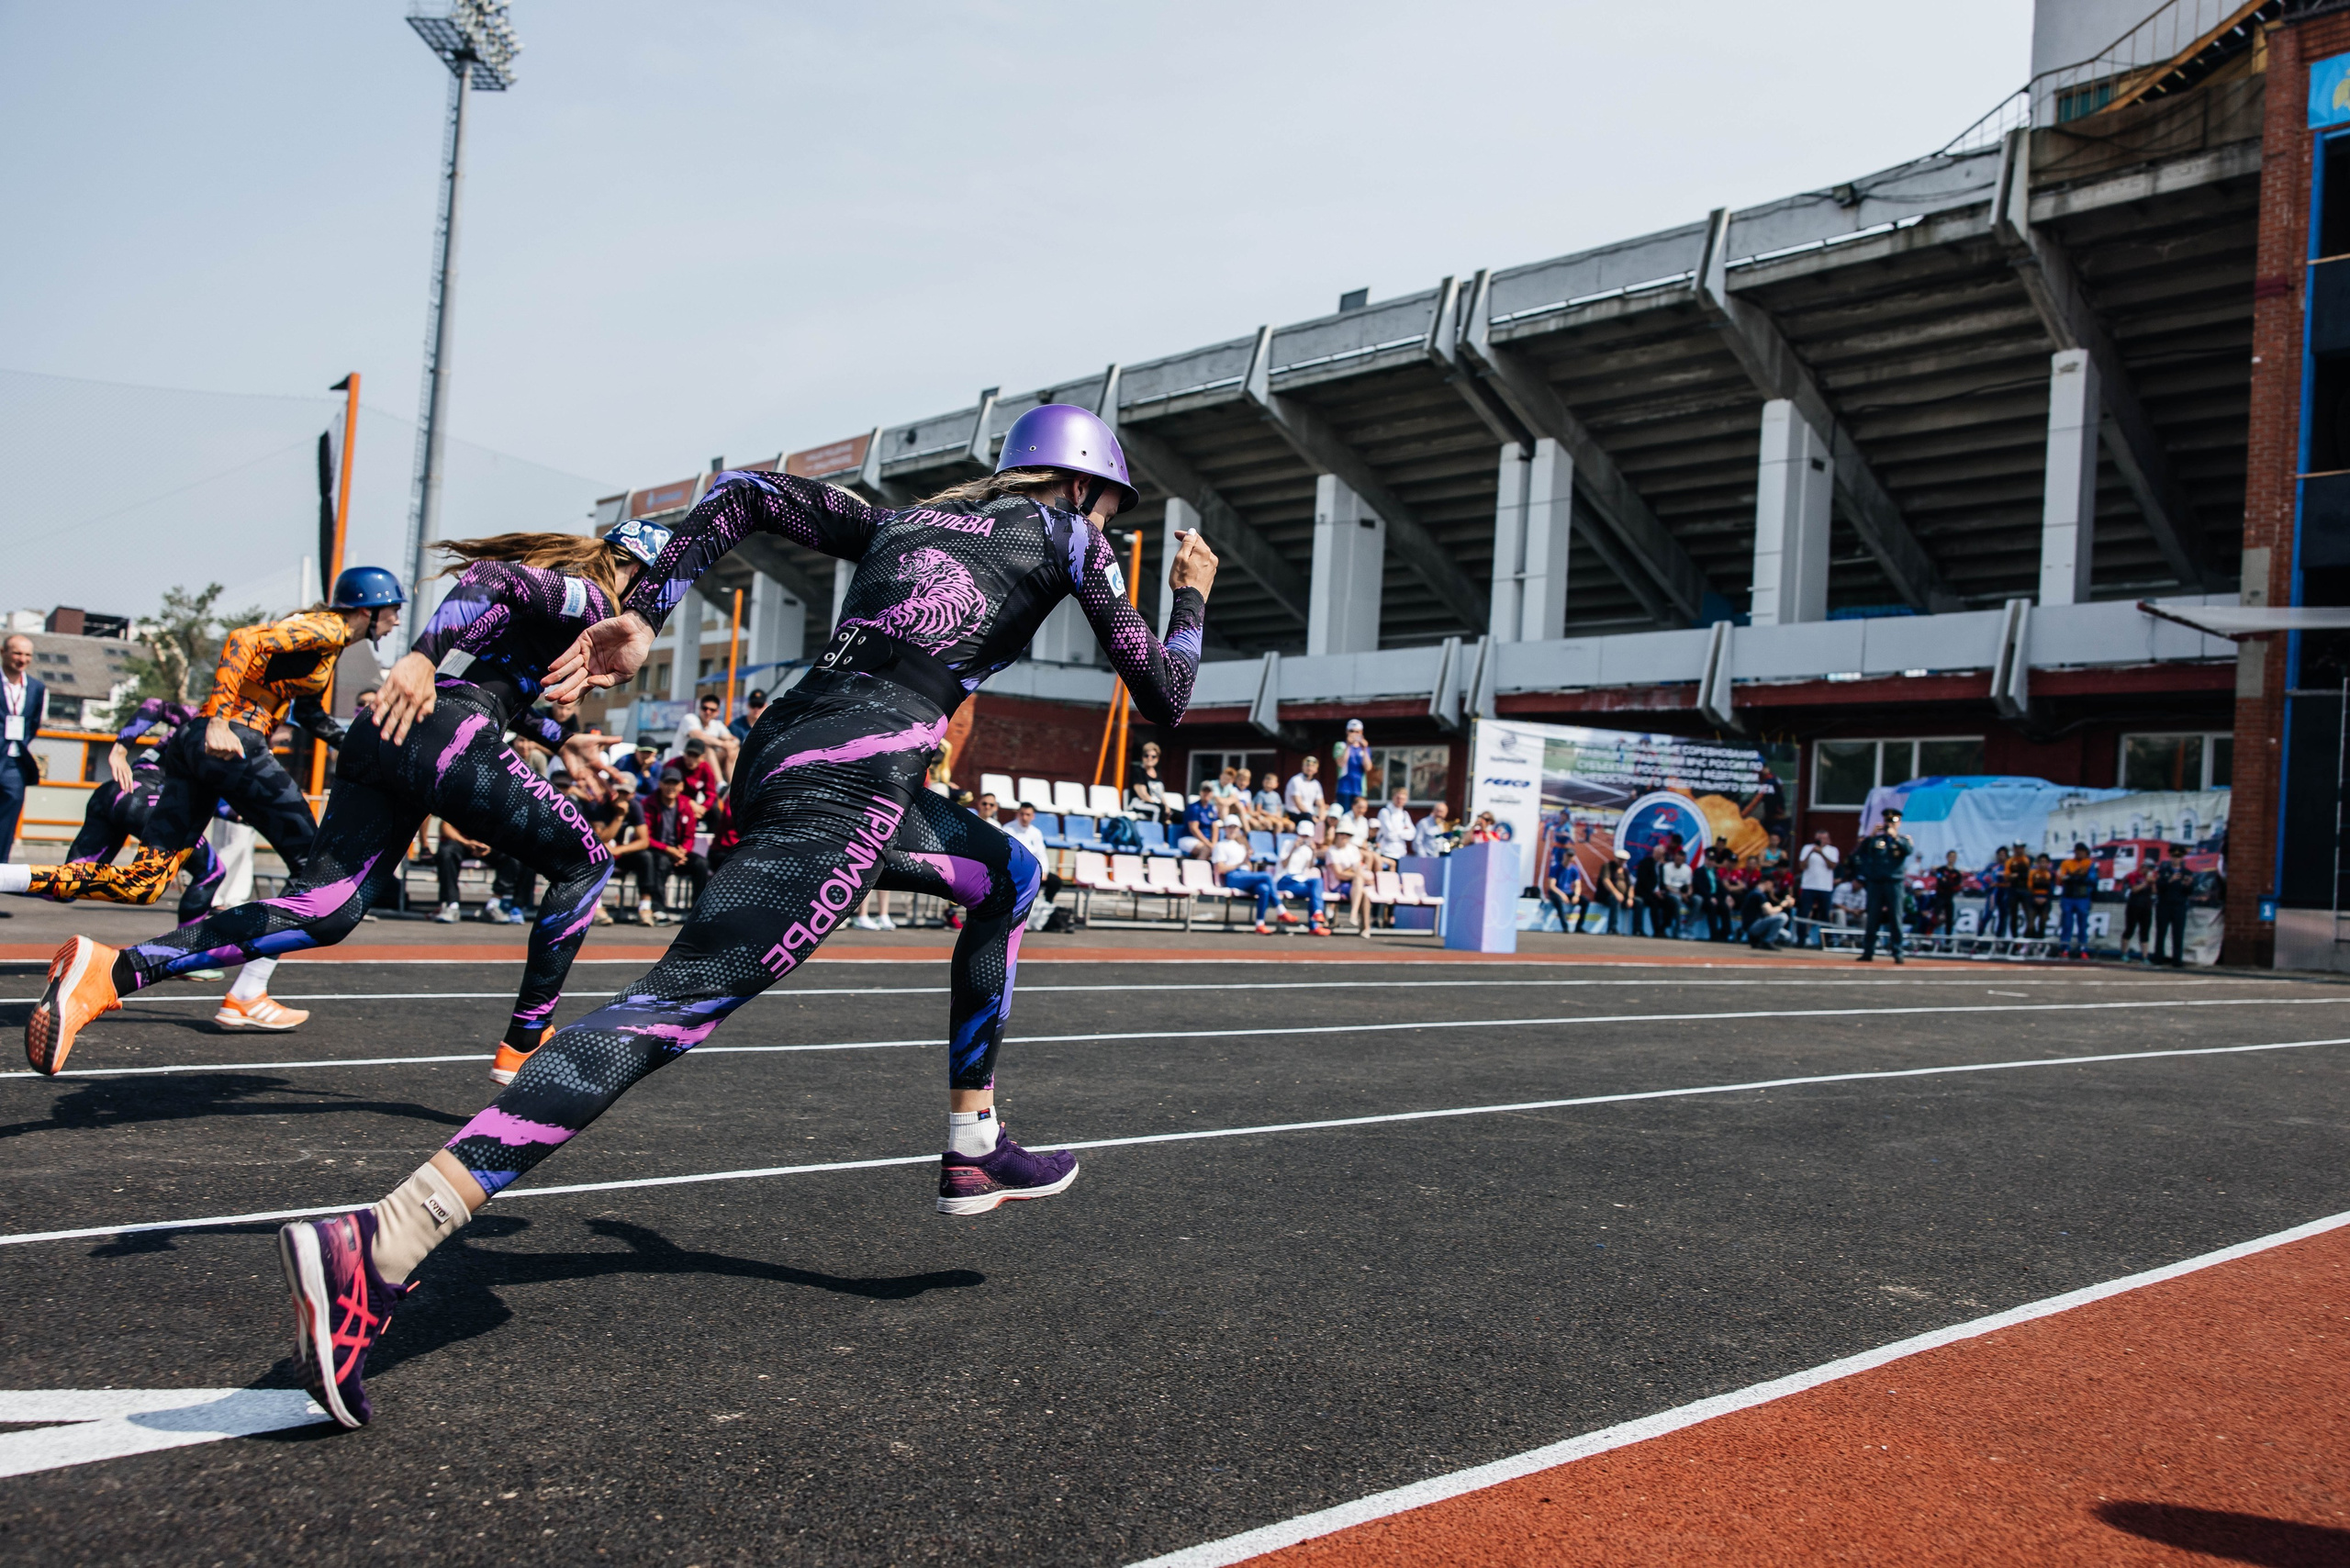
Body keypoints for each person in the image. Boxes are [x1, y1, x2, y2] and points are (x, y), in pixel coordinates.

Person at [264, 404, 1214, 1429]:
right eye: (1109, 505)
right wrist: (1190, 596)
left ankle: (973, 1138)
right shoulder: (1070, 534)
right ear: (1082, 486)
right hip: (855, 778)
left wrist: (649, 612)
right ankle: (384, 1239)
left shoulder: (905, 522)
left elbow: (748, 493)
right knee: (670, 1006)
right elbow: (1164, 693)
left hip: (793, 748)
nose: (1107, 522)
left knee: (1008, 877)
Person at [28, 545, 624, 1083]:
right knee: (587, 863)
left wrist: (558, 738)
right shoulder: (595, 599)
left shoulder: (527, 614)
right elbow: (493, 575)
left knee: (323, 911)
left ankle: (114, 970)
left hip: (382, 732)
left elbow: (475, 672)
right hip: (428, 734)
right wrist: (420, 657)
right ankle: (525, 1040)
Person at [22, 571, 405, 1036]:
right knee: (315, 869)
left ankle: (7, 876)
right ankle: (248, 993)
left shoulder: (327, 645)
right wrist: (221, 719)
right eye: (394, 610)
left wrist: (370, 749)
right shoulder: (328, 627)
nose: (396, 620)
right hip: (232, 738)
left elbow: (310, 715)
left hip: (193, 744)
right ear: (368, 608)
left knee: (143, 883)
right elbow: (243, 639)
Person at [1, 699, 232, 922]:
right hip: (149, 800)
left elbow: (155, 706)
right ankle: (180, 948)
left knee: (68, 886)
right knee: (211, 872)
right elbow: (155, 705)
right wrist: (119, 751)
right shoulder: (223, 725)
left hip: (115, 792)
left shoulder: (206, 718)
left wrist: (121, 749)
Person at [0, 632, 48, 869]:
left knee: (8, 819)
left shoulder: (37, 688)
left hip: (15, 762)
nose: (22, 659)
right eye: (17, 653)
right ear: (3, 653)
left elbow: (34, 722)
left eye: (27, 655)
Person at [644, 764, 710, 916]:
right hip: (658, 850)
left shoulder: (686, 805)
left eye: (675, 783)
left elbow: (689, 836)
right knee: (661, 862)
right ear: (660, 784)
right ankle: (658, 909)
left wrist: (682, 852)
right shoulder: (649, 803)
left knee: (701, 864)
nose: (671, 787)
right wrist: (667, 849)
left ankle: (697, 910)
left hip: (679, 851)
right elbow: (646, 837)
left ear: (681, 786)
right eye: (667, 783)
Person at [1852, 807, 1916, 963]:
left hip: (1894, 883)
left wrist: (1895, 838)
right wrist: (1871, 836)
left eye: (1893, 821)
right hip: (1876, 883)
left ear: (1899, 823)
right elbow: (1860, 853)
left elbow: (1908, 851)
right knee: (1873, 917)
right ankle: (1868, 951)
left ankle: (1898, 952)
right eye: (1888, 821)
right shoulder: (1876, 840)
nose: (1889, 824)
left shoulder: (1904, 839)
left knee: (1896, 917)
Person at [1254, 829, 1331, 935]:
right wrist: (1293, 849)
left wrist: (1313, 852)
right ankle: (1314, 925)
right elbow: (1284, 864)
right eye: (1302, 835)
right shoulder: (1287, 844)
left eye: (1307, 836)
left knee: (1317, 882)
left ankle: (1317, 914)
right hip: (1284, 880)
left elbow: (1310, 867)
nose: (1304, 838)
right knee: (1314, 891)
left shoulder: (1308, 849)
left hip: (1299, 880)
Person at [669, 693, 738, 783]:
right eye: (705, 708)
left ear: (717, 712)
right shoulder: (690, 718)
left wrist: (732, 745)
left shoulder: (717, 724)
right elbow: (699, 736)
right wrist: (723, 744)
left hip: (701, 766)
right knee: (706, 748)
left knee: (733, 750)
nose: (708, 712)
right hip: (681, 764)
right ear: (699, 708)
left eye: (712, 710)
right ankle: (720, 784)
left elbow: (733, 739)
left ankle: (732, 784)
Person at [1796, 830, 1839, 948]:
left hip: (1825, 887)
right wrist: (1811, 852)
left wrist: (1821, 853)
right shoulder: (1807, 848)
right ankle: (1801, 940)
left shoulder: (1833, 850)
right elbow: (1802, 866)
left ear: (1827, 839)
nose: (1820, 841)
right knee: (1804, 913)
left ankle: (1825, 942)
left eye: (1823, 838)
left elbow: (1832, 866)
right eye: (1818, 838)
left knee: (1825, 915)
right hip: (1808, 886)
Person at [2151, 854, 2193, 967]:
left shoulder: (2186, 872)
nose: (2176, 859)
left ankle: (2177, 960)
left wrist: (2187, 885)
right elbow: (2159, 887)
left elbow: (2189, 891)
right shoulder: (2163, 871)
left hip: (2179, 906)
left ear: (2181, 859)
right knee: (2161, 932)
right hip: (2164, 905)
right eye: (2174, 857)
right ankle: (2158, 957)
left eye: (2178, 857)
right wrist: (2170, 880)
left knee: (2178, 933)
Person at [2055, 842, 2096, 958]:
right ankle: (2064, 949)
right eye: (2077, 851)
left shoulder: (2089, 863)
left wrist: (2080, 877)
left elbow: (2092, 879)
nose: (2079, 853)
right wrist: (2072, 877)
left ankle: (2083, 949)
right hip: (2068, 897)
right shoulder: (2067, 863)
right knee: (2067, 924)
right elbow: (2061, 877)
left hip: (2082, 898)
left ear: (2086, 852)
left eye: (2081, 851)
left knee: (2082, 925)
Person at [1541, 834, 1584, 934]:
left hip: (1567, 892)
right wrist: (1562, 895)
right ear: (1564, 855)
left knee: (1585, 901)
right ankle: (1565, 926)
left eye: (1571, 856)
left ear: (1573, 857)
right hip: (1556, 892)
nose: (1569, 858)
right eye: (1568, 855)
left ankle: (1579, 926)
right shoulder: (1556, 867)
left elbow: (1578, 885)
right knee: (1558, 900)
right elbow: (1551, 886)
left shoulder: (1574, 869)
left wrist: (1576, 896)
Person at [1692, 846, 1731, 942]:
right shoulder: (1699, 871)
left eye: (1712, 860)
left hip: (1715, 897)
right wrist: (1709, 897)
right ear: (1705, 860)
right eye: (1709, 860)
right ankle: (1714, 935)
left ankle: (1726, 934)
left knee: (1725, 908)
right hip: (1704, 897)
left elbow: (1720, 887)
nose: (1710, 862)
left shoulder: (1715, 872)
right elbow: (1700, 887)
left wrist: (1727, 896)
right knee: (1711, 907)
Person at [2120, 858, 2156, 960]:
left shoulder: (2150, 877)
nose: (2149, 871)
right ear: (2143, 867)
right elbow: (2134, 889)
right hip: (2134, 905)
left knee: (2145, 931)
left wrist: (2153, 882)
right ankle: (2124, 953)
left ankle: (2145, 956)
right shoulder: (2133, 875)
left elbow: (2154, 892)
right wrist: (2145, 883)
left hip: (2146, 906)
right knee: (2130, 929)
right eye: (2148, 868)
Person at [1331, 720, 1371, 814]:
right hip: (1344, 788)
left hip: (1359, 789)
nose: (1354, 734)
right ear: (1347, 732)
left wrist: (1364, 749)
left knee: (1358, 814)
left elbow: (1368, 767)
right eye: (1351, 731)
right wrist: (1348, 746)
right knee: (1344, 814)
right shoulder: (1340, 745)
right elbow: (1341, 763)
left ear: (1361, 733)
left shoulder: (1364, 748)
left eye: (1357, 732)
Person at [1746, 878, 1796, 949]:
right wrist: (1783, 905)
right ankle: (1767, 941)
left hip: (1754, 925)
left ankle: (1759, 940)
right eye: (1772, 885)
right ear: (1768, 882)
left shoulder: (1756, 893)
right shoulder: (1758, 894)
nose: (1772, 887)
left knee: (1787, 935)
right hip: (1753, 926)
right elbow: (1769, 911)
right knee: (1783, 917)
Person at [1656, 846, 1691, 938]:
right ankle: (1677, 930)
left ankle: (1687, 928)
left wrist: (1688, 894)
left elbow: (1690, 885)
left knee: (1698, 900)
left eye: (1681, 860)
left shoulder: (1687, 869)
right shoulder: (1667, 867)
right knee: (1676, 900)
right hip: (1671, 893)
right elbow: (1667, 886)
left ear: (1684, 860)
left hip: (1684, 894)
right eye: (1677, 859)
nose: (1678, 861)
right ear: (1674, 857)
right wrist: (1680, 894)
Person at [1127, 741, 1168, 820]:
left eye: (1153, 756)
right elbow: (1143, 795)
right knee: (1159, 809)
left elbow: (1161, 794)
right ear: (1142, 757)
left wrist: (1166, 806)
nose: (1149, 758)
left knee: (1177, 814)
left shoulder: (1157, 774)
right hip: (1139, 803)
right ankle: (1156, 828)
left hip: (1157, 803)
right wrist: (1159, 804)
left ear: (1157, 759)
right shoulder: (1138, 772)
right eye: (1146, 756)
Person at [1176, 790, 1221, 858]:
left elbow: (1215, 827)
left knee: (1219, 849)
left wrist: (1214, 844)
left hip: (1205, 841)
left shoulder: (1212, 808)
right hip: (1189, 838)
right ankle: (1198, 865)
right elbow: (1194, 829)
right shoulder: (1194, 807)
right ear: (1200, 792)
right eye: (1204, 791)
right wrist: (1209, 844)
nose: (1206, 794)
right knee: (1206, 849)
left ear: (1212, 794)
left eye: (1208, 792)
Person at [1284, 753, 1326, 824]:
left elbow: (1321, 805)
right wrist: (1313, 818)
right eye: (1307, 765)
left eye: (1313, 766)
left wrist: (1321, 820)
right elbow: (1298, 804)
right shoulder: (1296, 780)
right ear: (1302, 767)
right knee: (1307, 819)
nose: (1309, 768)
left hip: (1310, 815)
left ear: (1316, 770)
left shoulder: (1316, 784)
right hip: (1295, 814)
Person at [1930, 850, 1964, 936]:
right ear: (1947, 857)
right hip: (1940, 897)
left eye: (1954, 857)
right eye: (1950, 856)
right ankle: (1928, 936)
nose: (1952, 858)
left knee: (1949, 919)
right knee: (1935, 917)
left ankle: (1948, 940)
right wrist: (1950, 884)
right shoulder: (1941, 870)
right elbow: (1941, 883)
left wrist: (1948, 883)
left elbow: (1957, 887)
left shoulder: (1957, 873)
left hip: (1949, 898)